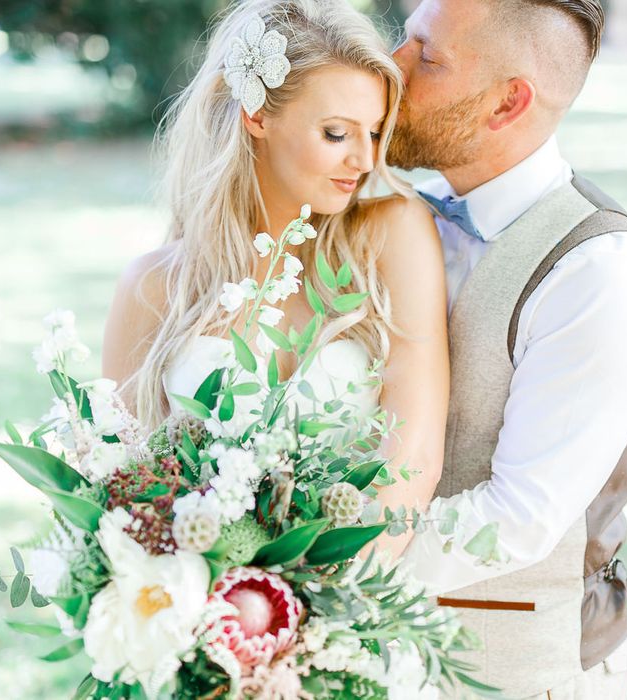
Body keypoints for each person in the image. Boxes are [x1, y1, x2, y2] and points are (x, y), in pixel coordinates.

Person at [390, 1, 627, 699]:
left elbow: (516, 518)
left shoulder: (599, 272)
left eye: (427, 57)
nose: (388, 67)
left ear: (507, 102)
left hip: (519, 672)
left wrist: (316, 567)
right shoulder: (393, 212)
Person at [101, 0, 449, 562]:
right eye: (336, 133)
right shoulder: (153, 286)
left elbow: (417, 449)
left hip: (360, 608)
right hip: (208, 614)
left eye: (375, 132)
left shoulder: (392, 236)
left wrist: (336, 607)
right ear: (257, 115)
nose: (364, 160)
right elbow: (125, 486)